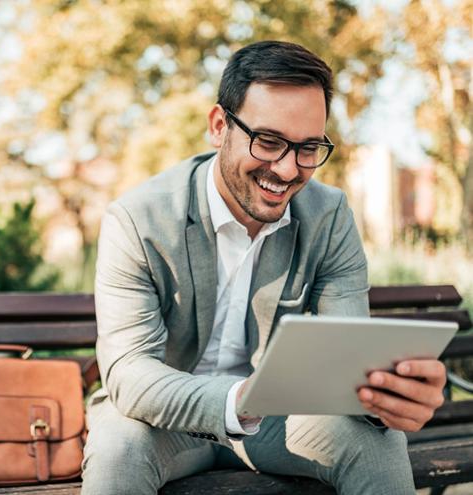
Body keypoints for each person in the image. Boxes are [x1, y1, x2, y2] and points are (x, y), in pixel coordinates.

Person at [81, 40, 446, 495]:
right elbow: (130, 373)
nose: (288, 169)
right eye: (268, 141)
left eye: (308, 147)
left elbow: (349, 356)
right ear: (219, 126)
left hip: (279, 420)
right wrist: (237, 400)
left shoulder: (329, 215)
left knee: (376, 441)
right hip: (161, 422)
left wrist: (385, 399)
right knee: (120, 447)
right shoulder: (138, 220)